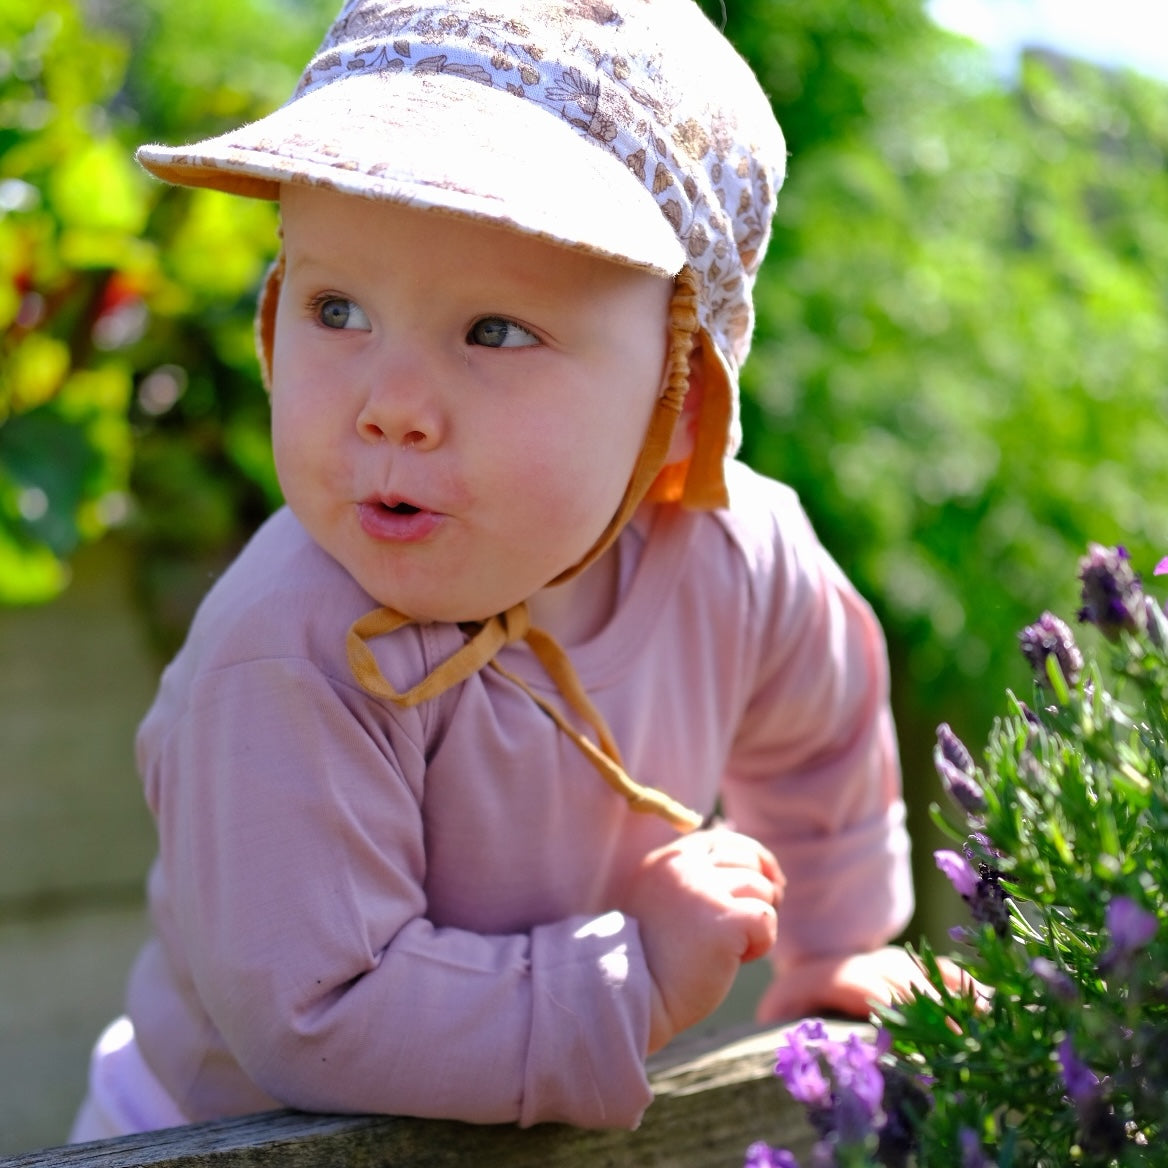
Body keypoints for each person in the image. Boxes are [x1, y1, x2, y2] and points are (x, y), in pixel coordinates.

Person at [71, 0, 928, 1140]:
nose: (392, 408)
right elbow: (316, 1015)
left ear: (682, 398)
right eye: (338, 309)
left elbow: (819, 731)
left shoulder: (739, 559)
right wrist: (634, 974)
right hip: (227, 1142)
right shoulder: (288, 643)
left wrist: (834, 946)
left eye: (493, 333)